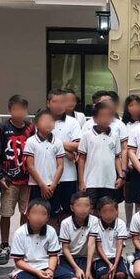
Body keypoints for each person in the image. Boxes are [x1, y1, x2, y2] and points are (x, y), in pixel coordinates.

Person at [9, 199, 79, 279]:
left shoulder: (51, 231)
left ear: (48, 217)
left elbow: (53, 255)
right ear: (28, 215)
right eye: (34, 213)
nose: (38, 217)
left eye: (43, 214)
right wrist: (37, 272)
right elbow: (18, 261)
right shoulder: (20, 233)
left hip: (46, 266)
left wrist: (50, 270)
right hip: (27, 269)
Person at [0, 95, 34, 265]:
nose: (19, 112)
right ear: (10, 110)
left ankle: (22, 243)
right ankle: (4, 244)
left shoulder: (31, 129)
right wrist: (0, 176)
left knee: (25, 213)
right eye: (15, 109)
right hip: (8, 180)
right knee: (6, 213)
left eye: (22, 109)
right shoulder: (2, 128)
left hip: (27, 179)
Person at [77, 102, 124, 208]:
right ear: (95, 118)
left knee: (107, 208)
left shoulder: (115, 136)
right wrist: (81, 181)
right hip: (91, 181)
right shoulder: (87, 136)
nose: (106, 119)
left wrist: (120, 176)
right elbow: (81, 158)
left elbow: (117, 157)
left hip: (109, 181)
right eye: (102, 116)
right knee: (90, 209)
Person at [25, 109, 65, 225]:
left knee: (52, 215)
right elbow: (30, 166)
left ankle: (51, 240)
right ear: (36, 124)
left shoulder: (58, 142)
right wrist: (42, 185)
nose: (48, 123)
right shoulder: (31, 141)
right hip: (36, 185)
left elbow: (60, 166)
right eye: (44, 121)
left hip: (53, 186)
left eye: (51, 121)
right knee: (35, 214)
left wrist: (52, 185)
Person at [48, 89, 83, 219]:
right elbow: (40, 143)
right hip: (48, 176)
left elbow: (78, 145)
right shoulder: (43, 120)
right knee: (50, 211)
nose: (58, 105)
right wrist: (66, 150)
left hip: (69, 175)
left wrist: (55, 144)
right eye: (55, 102)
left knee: (67, 211)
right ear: (48, 103)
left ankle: (64, 238)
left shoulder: (72, 122)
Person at [59, 192, 99, 279]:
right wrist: (76, 268)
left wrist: (88, 270)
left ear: (90, 208)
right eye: (79, 205)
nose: (83, 209)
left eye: (86, 205)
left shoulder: (94, 220)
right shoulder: (65, 223)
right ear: (72, 208)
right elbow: (65, 248)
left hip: (83, 257)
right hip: (67, 258)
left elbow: (91, 244)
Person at [87, 196, 129, 279]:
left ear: (116, 211)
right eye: (105, 212)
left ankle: (124, 263)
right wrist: (110, 264)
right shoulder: (96, 225)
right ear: (99, 212)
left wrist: (115, 264)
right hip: (100, 258)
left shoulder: (120, 224)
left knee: (121, 275)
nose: (108, 215)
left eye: (111, 211)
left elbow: (120, 245)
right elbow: (98, 247)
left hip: (115, 257)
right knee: (104, 277)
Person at [121, 94, 140, 221]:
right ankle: (129, 223)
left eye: (137, 105)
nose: (134, 108)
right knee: (128, 195)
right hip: (127, 164)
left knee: (139, 196)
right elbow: (123, 147)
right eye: (131, 105)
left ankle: (137, 222)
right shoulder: (122, 124)